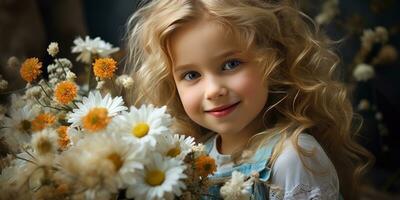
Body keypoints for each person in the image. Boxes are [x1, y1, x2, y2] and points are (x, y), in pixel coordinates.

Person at [124, 0, 373, 199]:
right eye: (191, 75)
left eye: (231, 64)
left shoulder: (293, 157)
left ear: (273, 62)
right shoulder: (190, 161)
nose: (213, 90)